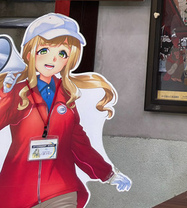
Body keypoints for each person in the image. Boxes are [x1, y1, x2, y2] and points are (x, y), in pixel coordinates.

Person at [0, 13, 132, 208]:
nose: (53, 59)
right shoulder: (18, 95)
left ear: (69, 59)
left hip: (60, 190)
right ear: (29, 54)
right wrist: (4, 94)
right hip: (17, 192)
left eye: (62, 53)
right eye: (44, 50)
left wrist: (108, 173)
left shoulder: (67, 99)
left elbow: (79, 145)